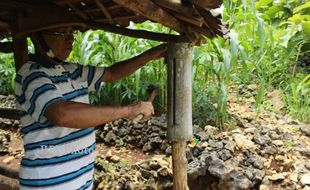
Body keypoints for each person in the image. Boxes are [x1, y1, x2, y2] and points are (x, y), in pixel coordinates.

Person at [14, 26, 167, 189]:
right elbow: (61, 113)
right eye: (61, 33)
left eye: (71, 33)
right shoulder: (31, 75)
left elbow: (112, 73)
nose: (70, 39)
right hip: (49, 183)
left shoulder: (72, 70)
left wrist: (150, 55)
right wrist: (128, 110)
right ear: (37, 39)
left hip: (80, 179)